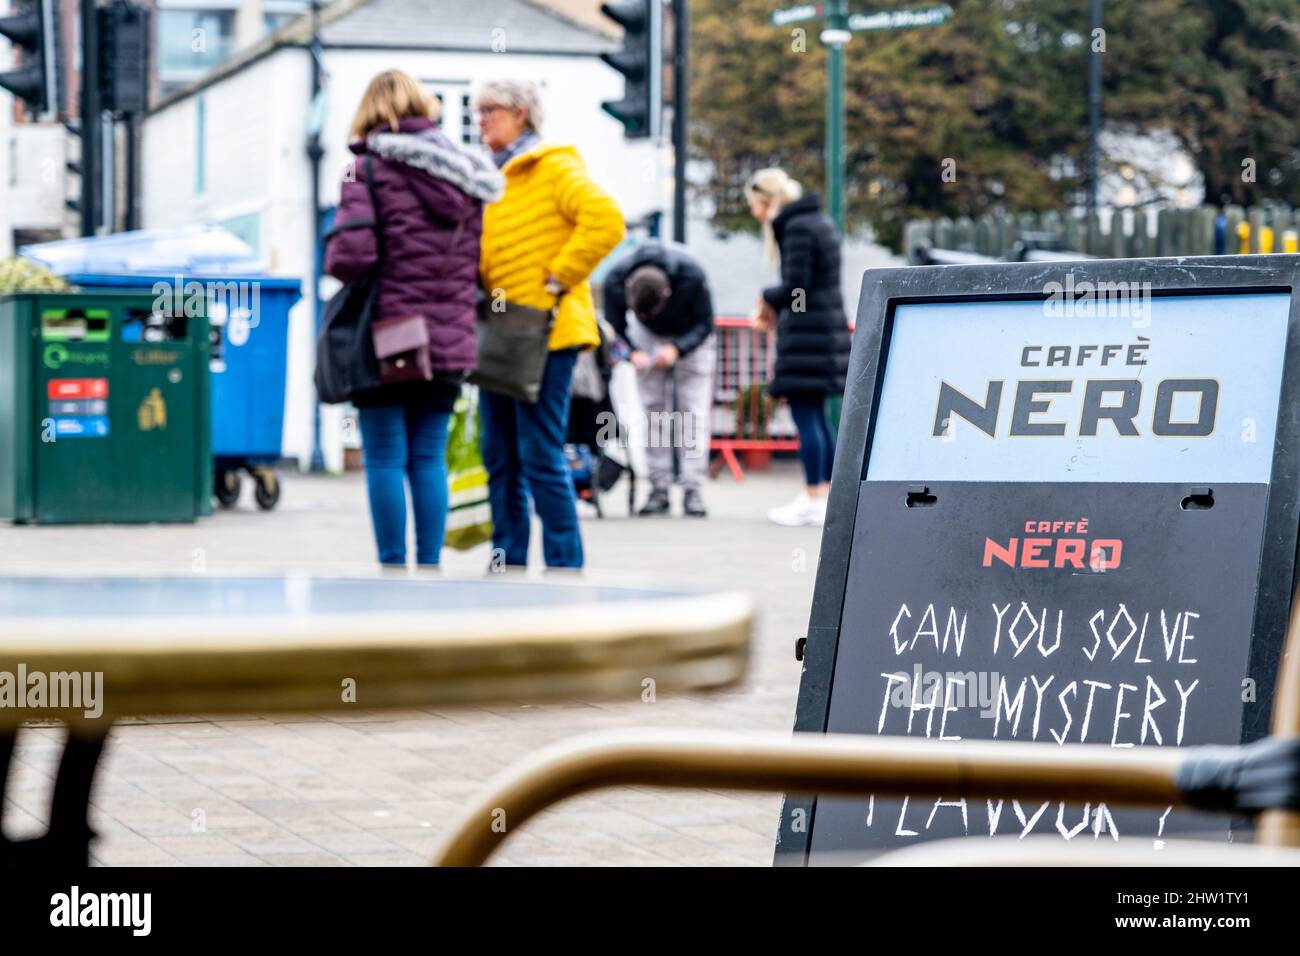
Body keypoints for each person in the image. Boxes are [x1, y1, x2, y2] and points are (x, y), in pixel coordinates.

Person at [325, 69, 504, 567]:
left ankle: (391, 566)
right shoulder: (467, 175)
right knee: (427, 457)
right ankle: (429, 566)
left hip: (386, 334)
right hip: (449, 337)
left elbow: (350, 258)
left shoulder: (365, 169)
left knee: (384, 455)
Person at [475, 78, 625, 569]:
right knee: (499, 455)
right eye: (477, 112)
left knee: (539, 453)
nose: (480, 121)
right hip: (501, 334)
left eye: (489, 110)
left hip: (547, 333)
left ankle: (564, 566)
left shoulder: (552, 165)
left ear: (521, 113)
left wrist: (560, 276)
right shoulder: (493, 175)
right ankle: (507, 560)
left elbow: (605, 219)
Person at [745, 167, 852, 527]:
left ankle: (814, 497)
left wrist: (765, 299)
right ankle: (829, 496)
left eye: (754, 206)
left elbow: (796, 287)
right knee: (818, 417)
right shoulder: (816, 221)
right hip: (824, 328)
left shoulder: (796, 227)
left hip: (810, 333)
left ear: (766, 201)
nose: (754, 214)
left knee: (806, 415)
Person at [602, 242, 715, 518]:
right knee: (653, 413)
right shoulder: (614, 281)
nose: (645, 316)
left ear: (668, 293)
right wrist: (632, 352)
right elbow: (613, 326)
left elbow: (705, 322)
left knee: (692, 413)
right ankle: (659, 489)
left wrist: (678, 348)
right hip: (645, 338)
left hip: (692, 337)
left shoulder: (692, 275)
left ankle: (692, 489)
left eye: (649, 312)